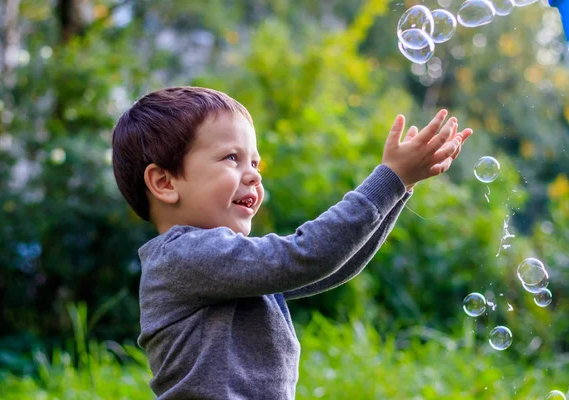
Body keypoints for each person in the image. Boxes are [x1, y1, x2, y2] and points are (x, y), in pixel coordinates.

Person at [111, 86, 473, 399]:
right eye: (231, 158)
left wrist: (399, 189)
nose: (253, 174)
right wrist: (389, 179)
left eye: (255, 162)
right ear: (164, 182)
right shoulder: (183, 256)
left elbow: (330, 268)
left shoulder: (225, 268)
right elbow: (308, 255)